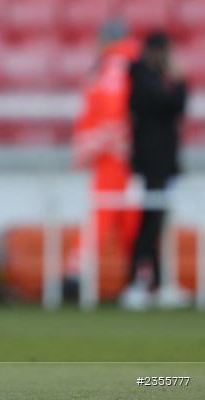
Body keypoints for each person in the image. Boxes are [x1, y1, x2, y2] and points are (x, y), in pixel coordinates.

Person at [120, 31, 189, 309]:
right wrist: (180, 81)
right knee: (149, 225)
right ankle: (137, 283)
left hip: (161, 162)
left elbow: (175, 107)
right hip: (151, 163)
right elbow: (171, 105)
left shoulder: (149, 78)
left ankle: (156, 283)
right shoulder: (141, 78)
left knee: (156, 223)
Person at [72, 21, 141, 298]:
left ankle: (76, 277)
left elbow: (113, 117)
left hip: (114, 158)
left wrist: (88, 146)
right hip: (122, 156)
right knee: (129, 220)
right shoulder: (126, 64)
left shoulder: (114, 66)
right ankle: (139, 279)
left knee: (106, 216)